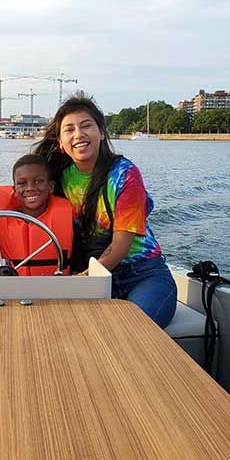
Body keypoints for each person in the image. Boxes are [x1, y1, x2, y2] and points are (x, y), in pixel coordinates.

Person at [33, 93, 177, 328]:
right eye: (69, 130)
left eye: (86, 125)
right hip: (91, 273)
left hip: (142, 274)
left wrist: (84, 281)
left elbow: (122, 243)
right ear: (60, 142)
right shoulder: (57, 179)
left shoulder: (125, 174)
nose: (78, 134)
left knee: (129, 328)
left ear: (101, 132)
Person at [0, 154, 74, 275]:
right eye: (22, 183)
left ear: (51, 186)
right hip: (11, 290)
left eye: (38, 181)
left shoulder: (70, 221)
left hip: (56, 290)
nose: (30, 188)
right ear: (14, 190)